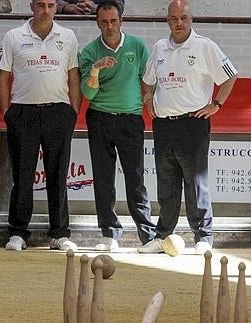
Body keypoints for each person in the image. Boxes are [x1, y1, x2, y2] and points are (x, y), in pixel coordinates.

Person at [139, 0, 237, 255]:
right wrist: (148, 98)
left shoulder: (204, 46)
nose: (179, 23)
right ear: (167, 20)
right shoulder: (160, 47)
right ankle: (162, 236)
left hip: (193, 124)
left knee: (196, 183)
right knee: (166, 184)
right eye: (174, 18)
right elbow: (147, 80)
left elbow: (230, 76)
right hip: (163, 126)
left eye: (183, 17)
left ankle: (203, 237)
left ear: (191, 19)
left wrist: (216, 104)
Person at [0, 0, 81, 251]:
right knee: (22, 176)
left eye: (51, 5)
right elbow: (2, 76)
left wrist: (72, 112)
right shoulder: (13, 36)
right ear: (32, 5)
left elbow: (73, 75)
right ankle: (18, 232)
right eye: (41, 4)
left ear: (56, 7)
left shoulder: (68, 36)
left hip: (58, 113)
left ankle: (59, 233)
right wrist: (7, 113)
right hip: (23, 114)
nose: (46, 10)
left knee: (57, 176)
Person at [79, 0, 156, 251]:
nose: (109, 26)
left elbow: (147, 80)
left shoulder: (136, 46)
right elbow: (87, 94)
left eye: (113, 21)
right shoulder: (90, 51)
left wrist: (147, 101)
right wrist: (95, 71)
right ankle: (109, 234)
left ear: (121, 21)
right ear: (97, 23)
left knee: (135, 178)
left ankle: (147, 235)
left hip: (131, 119)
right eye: (104, 22)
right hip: (99, 117)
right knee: (103, 178)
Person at [56, 0, 123, 15]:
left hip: (99, 26)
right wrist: (65, 7)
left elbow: (119, 5)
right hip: (64, 24)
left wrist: (99, 8)